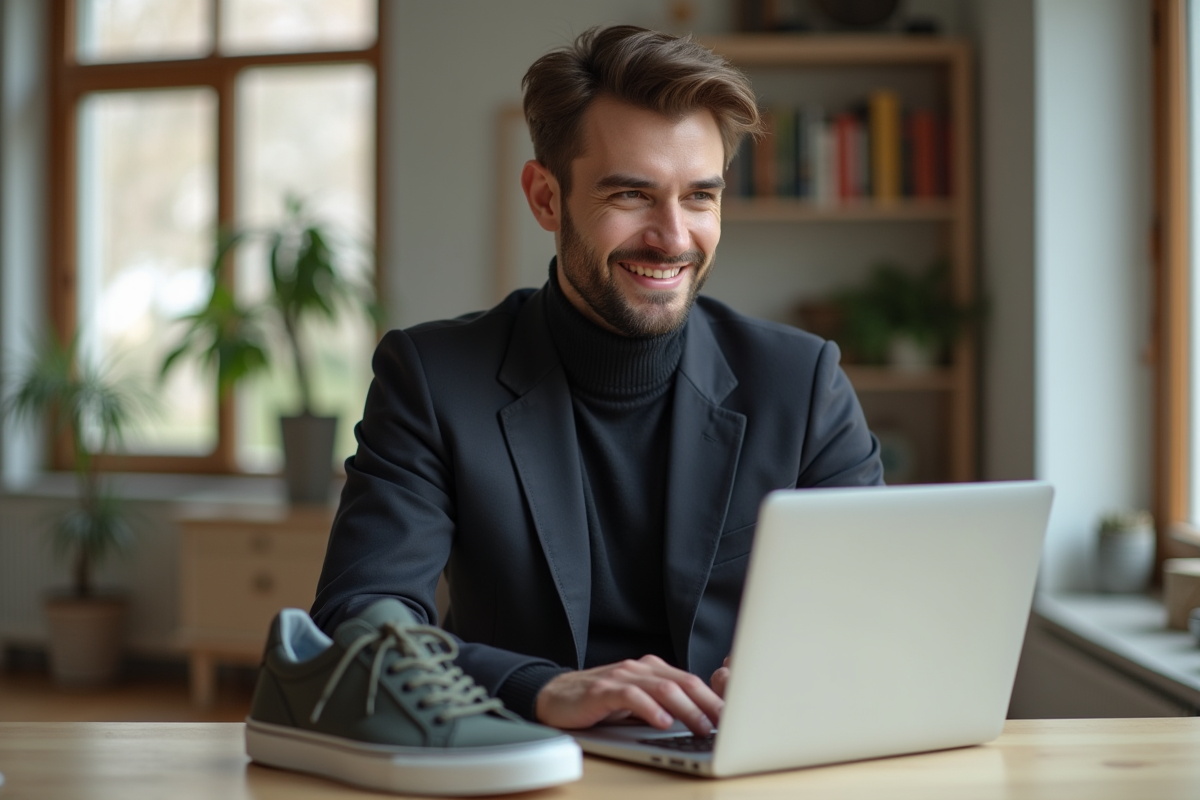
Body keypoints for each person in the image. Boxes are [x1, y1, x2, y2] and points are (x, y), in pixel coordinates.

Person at [311, 25, 882, 740]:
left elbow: (869, 613)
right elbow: (362, 620)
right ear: (547, 199)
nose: (673, 237)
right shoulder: (431, 379)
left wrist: (809, 669)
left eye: (700, 197)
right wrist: (541, 688)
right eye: (632, 195)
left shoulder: (802, 385)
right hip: (517, 758)